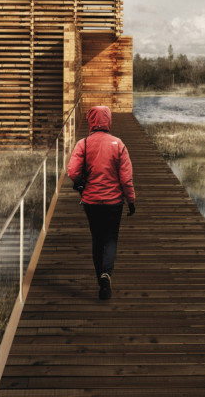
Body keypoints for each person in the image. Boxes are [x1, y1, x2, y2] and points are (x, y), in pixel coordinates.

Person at [67, 105, 136, 300]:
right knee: (111, 237)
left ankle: (100, 277)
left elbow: (72, 171)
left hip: (91, 201)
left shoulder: (83, 144)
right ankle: (107, 273)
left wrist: (80, 180)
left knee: (97, 238)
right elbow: (126, 179)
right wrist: (131, 200)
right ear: (108, 120)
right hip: (114, 201)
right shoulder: (118, 144)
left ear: (91, 121)